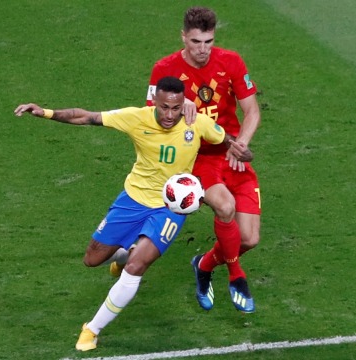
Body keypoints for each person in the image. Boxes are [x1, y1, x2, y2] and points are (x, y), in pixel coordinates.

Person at [14, 77, 252, 351]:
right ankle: (123, 255)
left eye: (176, 108)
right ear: (155, 103)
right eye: (164, 108)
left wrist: (242, 150)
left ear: (183, 103)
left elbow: (229, 141)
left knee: (137, 266)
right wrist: (45, 112)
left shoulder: (196, 123)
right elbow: (86, 117)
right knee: (92, 259)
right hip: (133, 200)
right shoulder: (136, 118)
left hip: (170, 208)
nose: (170, 115)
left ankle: (92, 329)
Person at [147, 7, 262, 314]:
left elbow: (252, 111)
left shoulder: (232, 61)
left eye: (208, 42)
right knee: (225, 207)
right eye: (196, 41)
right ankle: (237, 277)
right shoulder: (165, 70)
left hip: (231, 152)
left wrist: (241, 145)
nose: (202, 49)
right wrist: (172, 103)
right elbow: (153, 118)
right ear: (183, 36)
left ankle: (204, 264)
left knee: (248, 239)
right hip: (199, 158)